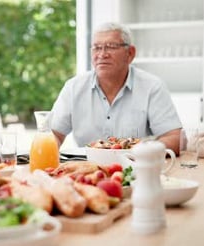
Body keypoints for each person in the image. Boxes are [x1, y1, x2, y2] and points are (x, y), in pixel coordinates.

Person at [49, 22, 182, 153]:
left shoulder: (152, 87)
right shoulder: (73, 88)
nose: (102, 54)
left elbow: (175, 138)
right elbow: (52, 134)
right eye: (96, 47)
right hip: (87, 169)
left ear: (130, 53)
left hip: (135, 168)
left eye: (111, 47)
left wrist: (141, 151)